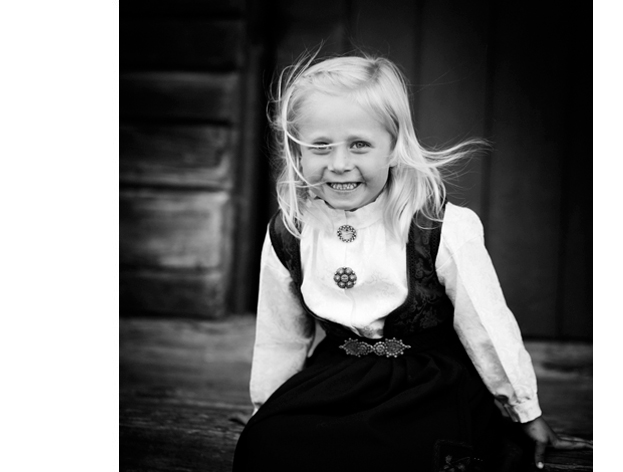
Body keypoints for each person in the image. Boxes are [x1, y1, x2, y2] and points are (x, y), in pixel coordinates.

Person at [232, 53, 591, 472]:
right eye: (320, 146)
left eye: (360, 144)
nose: (339, 164)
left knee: (410, 455)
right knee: (265, 446)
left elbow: (486, 325)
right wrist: (269, 406)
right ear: (298, 152)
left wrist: (524, 410)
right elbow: (280, 335)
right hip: (340, 374)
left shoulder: (439, 225)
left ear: (393, 148)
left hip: (428, 381)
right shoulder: (291, 230)